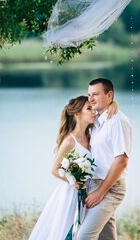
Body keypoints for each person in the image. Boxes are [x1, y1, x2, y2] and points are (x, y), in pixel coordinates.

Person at [29, 95, 117, 240]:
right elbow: (55, 169)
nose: (94, 111)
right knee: (69, 230)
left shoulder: (92, 133)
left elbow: (107, 113)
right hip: (72, 194)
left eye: (93, 108)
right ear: (77, 114)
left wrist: (114, 104)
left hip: (92, 191)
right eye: (89, 109)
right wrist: (73, 181)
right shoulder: (70, 141)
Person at [77, 78, 133, 240]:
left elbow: (122, 160)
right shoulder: (97, 121)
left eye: (95, 94)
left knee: (84, 237)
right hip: (94, 186)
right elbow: (75, 111)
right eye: (89, 95)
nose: (91, 98)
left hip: (110, 188)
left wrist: (101, 192)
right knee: (106, 238)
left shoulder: (117, 121)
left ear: (109, 95)